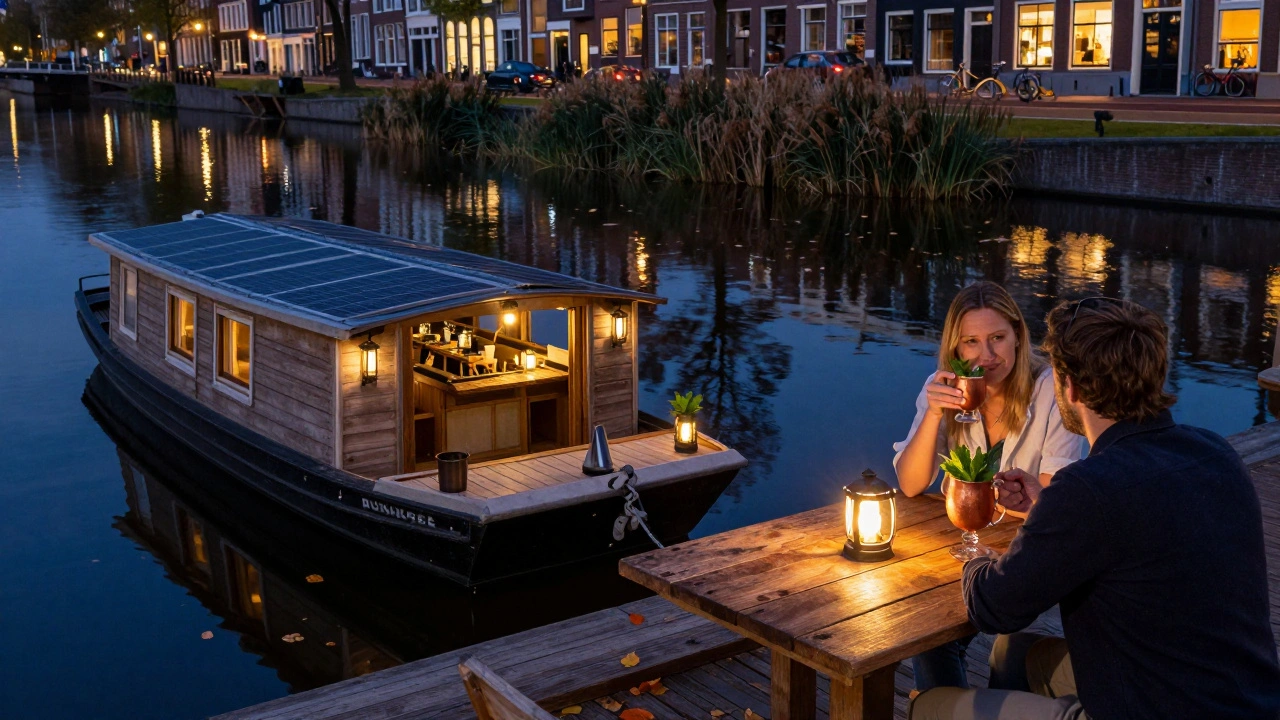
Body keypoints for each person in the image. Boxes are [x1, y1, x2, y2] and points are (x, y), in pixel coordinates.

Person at [910, 297, 1280, 720]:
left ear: (1070, 388)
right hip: (1245, 700)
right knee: (1016, 654)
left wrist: (976, 560)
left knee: (932, 706)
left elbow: (994, 608)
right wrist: (1046, 510)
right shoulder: (1214, 453)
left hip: (1149, 708)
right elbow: (1134, 525)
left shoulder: (1090, 488)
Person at [893, 281, 1086, 694]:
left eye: (998, 338)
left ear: (1018, 334)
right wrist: (931, 415)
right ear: (956, 349)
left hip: (1033, 551)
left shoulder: (1053, 389)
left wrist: (1017, 505)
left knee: (1005, 642)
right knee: (927, 631)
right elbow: (910, 484)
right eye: (972, 343)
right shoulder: (945, 387)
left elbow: (1056, 498)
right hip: (964, 547)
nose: (987, 356)